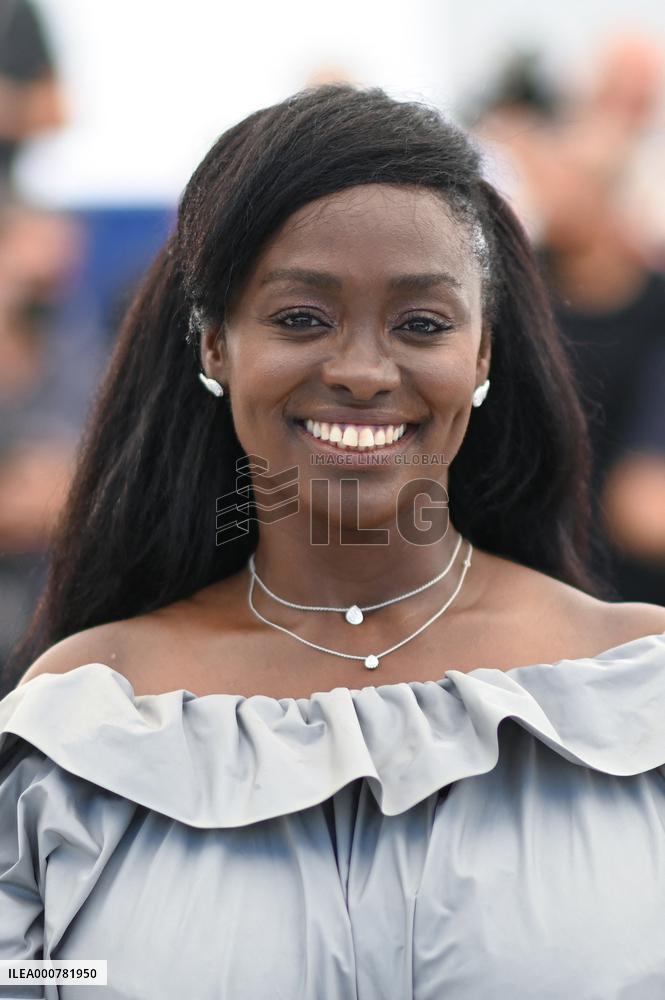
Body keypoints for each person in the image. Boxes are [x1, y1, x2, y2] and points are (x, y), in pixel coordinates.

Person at [1, 84, 665, 999]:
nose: (359, 370)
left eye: (422, 323)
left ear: (481, 355)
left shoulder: (635, 694)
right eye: (301, 318)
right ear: (214, 345)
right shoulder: (92, 715)